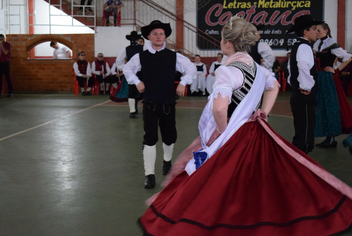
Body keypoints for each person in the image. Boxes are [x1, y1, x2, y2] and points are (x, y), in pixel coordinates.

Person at [138, 15, 352, 236]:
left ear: (227, 43)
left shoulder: (227, 70)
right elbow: (274, 87)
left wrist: (223, 133)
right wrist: (263, 113)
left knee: (214, 184)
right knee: (259, 182)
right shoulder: (259, 69)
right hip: (256, 130)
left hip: (234, 132)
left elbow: (220, 109)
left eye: (221, 38)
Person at [123, 20, 196, 189]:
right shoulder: (140, 56)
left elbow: (191, 68)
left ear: (165, 37)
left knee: (169, 136)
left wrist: (183, 82)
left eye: (161, 34)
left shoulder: (174, 56)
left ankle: (167, 161)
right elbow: (127, 69)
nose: (158, 37)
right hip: (150, 102)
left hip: (168, 102)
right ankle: (149, 174)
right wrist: (136, 81)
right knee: (150, 138)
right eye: (155, 34)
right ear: (148, 36)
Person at [287, 15, 323, 154]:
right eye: (314, 29)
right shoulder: (304, 46)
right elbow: (303, 66)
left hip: (298, 94)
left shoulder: (298, 45)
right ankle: (301, 161)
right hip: (304, 95)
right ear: (305, 32)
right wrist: (306, 87)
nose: (317, 32)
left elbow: (292, 69)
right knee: (305, 132)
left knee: (302, 129)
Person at [313, 22, 352, 148]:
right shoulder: (317, 43)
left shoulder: (331, 44)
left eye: (319, 30)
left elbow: (348, 57)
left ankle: (332, 138)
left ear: (326, 30)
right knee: (321, 106)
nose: (317, 32)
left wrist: (337, 70)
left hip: (328, 78)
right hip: (319, 77)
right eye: (316, 30)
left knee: (330, 106)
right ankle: (328, 137)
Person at [115, 31, 144, 118]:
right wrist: (125, 69)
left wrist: (124, 68)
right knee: (137, 91)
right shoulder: (143, 48)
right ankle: (134, 110)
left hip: (133, 73)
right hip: (138, 73)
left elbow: (118, 62)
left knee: (132, 92)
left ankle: (133, 111)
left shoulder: (126, 49)